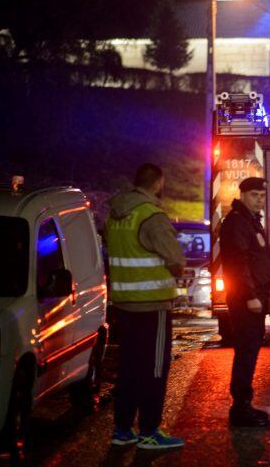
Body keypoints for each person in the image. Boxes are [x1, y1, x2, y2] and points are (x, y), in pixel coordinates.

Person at [105, 163, 186, 449]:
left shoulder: (115, 215)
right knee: (154, 369)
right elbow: (176, 259)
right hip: (153, 305)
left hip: (124, 304)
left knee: (128, 368)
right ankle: (150, 431)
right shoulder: (151, 215)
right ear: (158, 183)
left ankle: (122, 429)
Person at [220, 177, 270, 427]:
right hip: (245, 300)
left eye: (262, 195)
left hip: (254, 297)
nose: (259, 200)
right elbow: (238, 263)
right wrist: (251, 296)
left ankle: (244, 406)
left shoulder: (250, 221)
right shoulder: (237, 223)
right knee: (246, 352)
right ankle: (241, 408)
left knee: (250, 351)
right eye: (254, 195)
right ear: (242, 195)